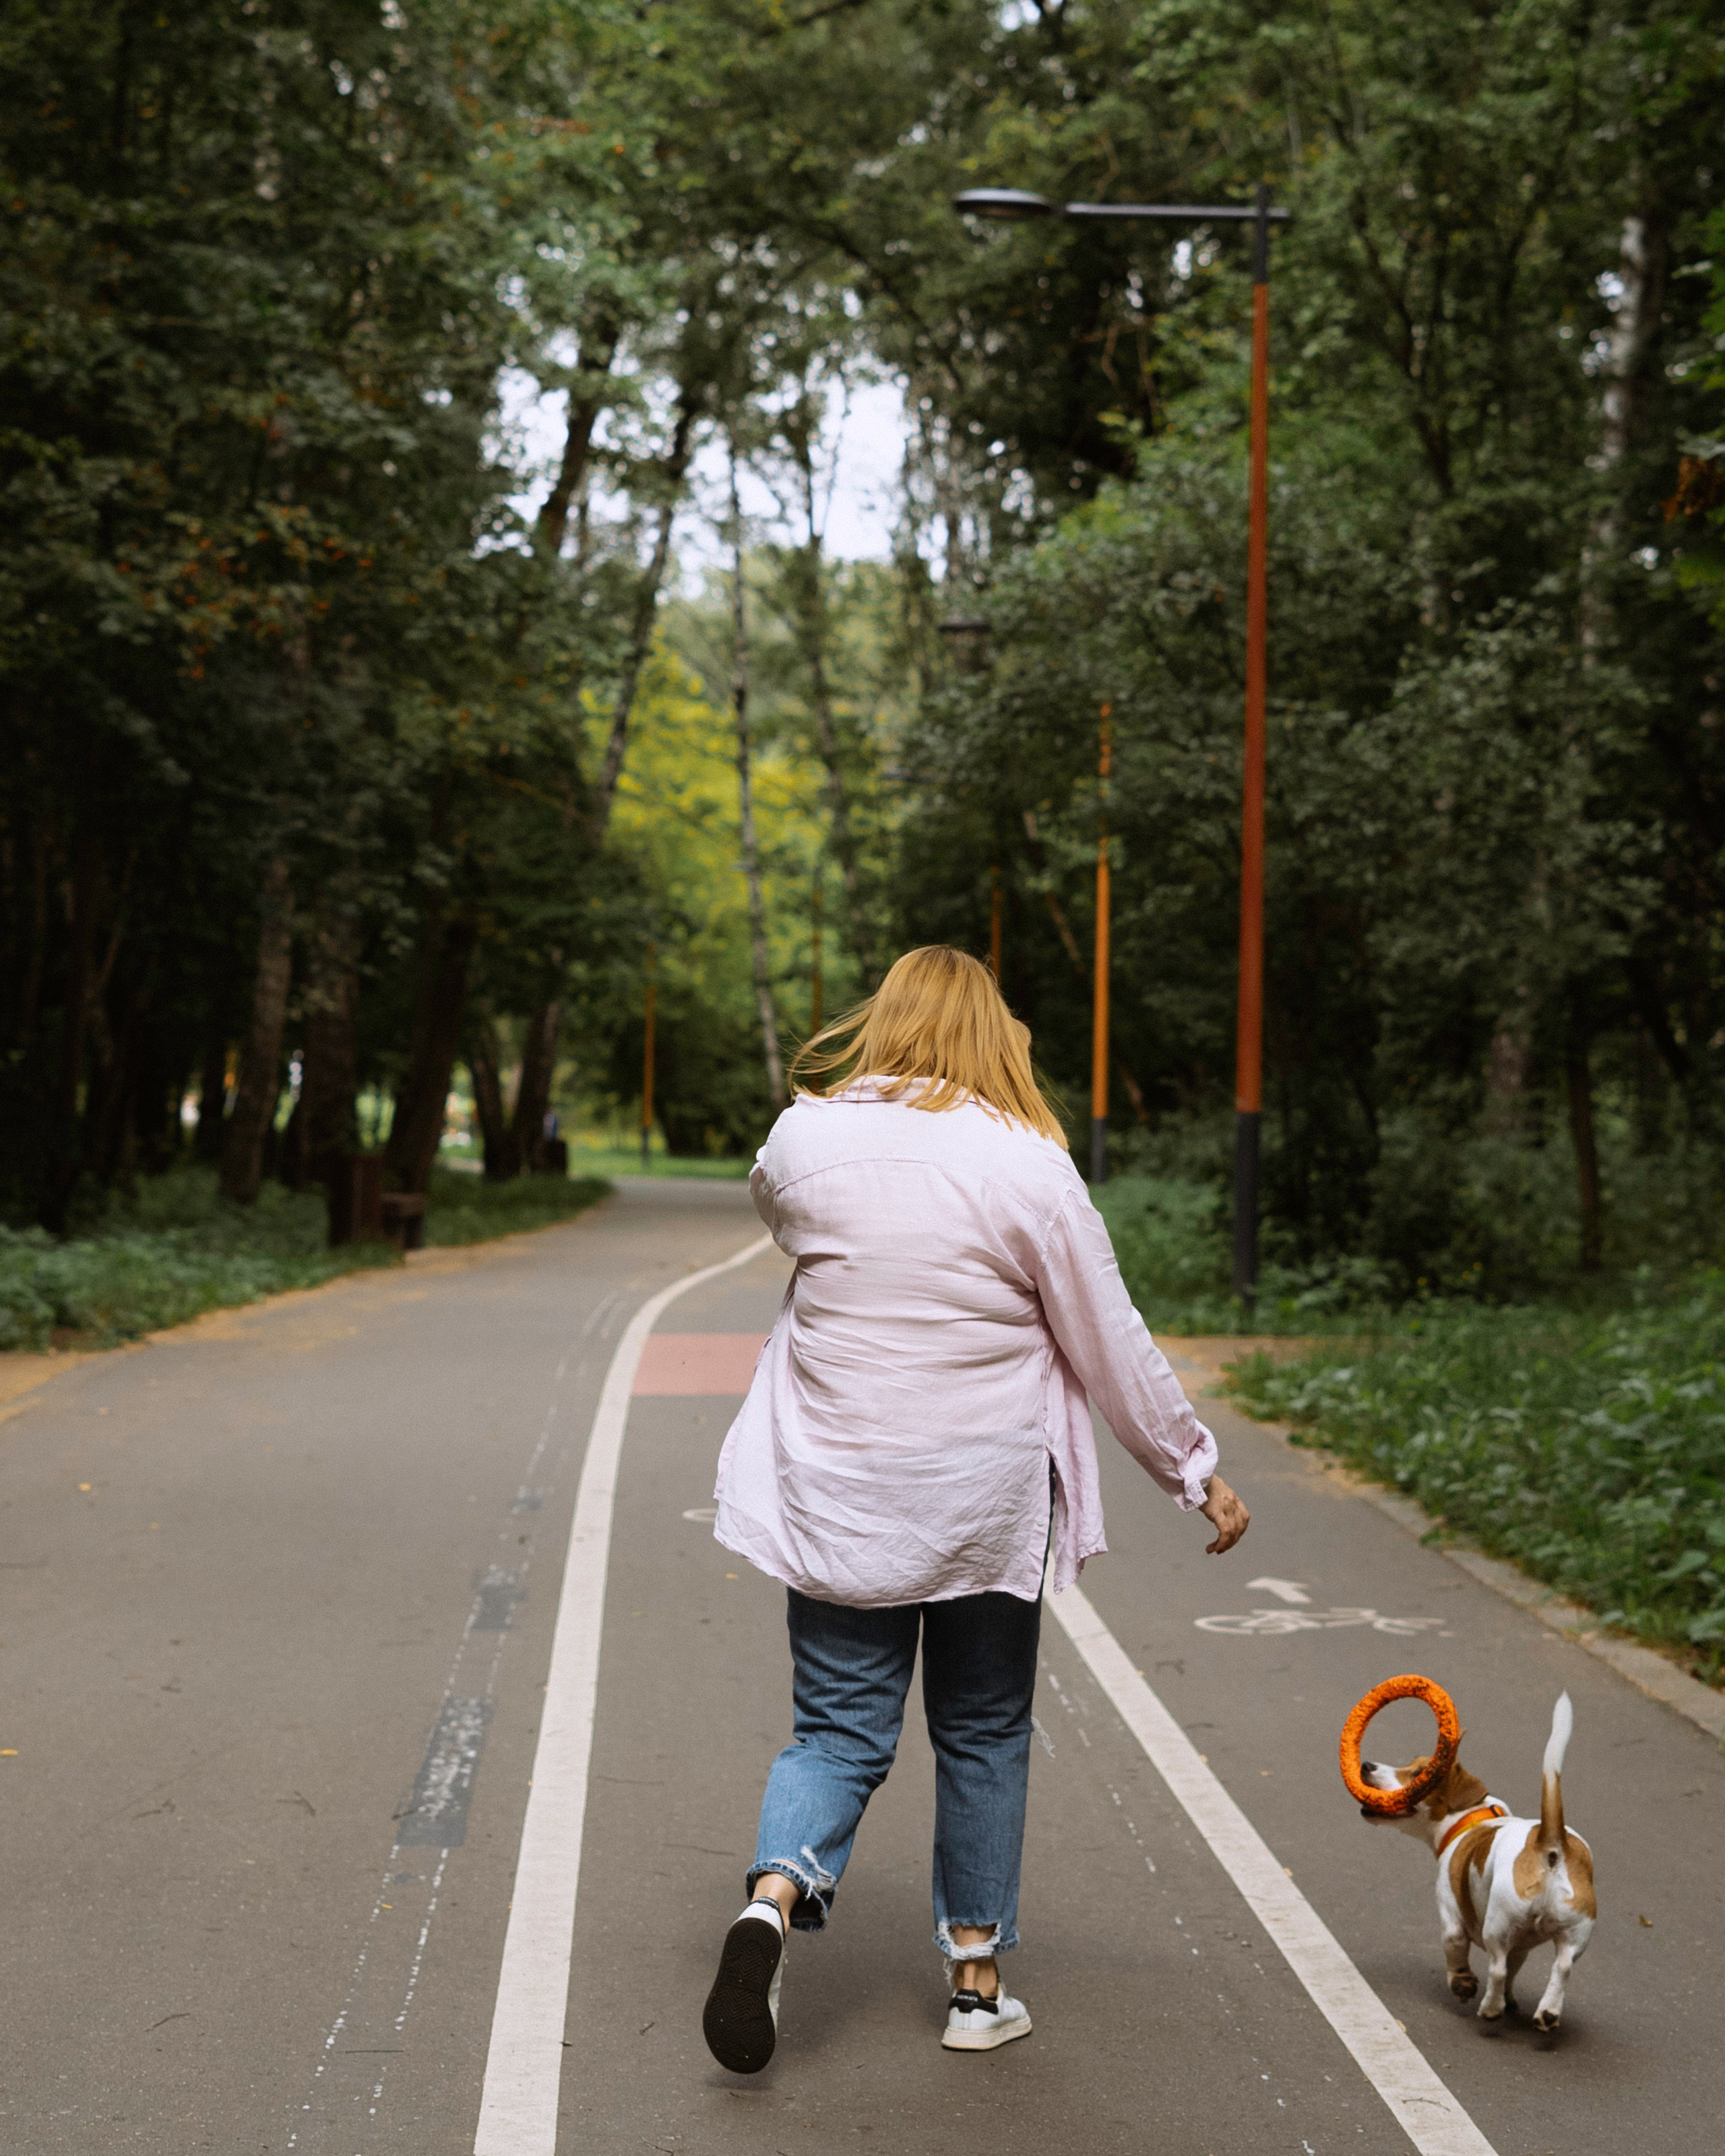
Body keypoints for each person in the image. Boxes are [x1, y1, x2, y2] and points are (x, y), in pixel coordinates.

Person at [701, 946, 1249, 2073]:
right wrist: (1190, 1465)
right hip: (981, 1503)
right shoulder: (1029, 1167)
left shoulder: (803, 1140)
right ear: (995, 1034)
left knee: (837, 1732)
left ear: (885, 1020)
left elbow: (783, 1221)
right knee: (983, 1729)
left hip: (840, 1491)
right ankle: (975, 1983)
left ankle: (773, 1896)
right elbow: (1109, 1337)